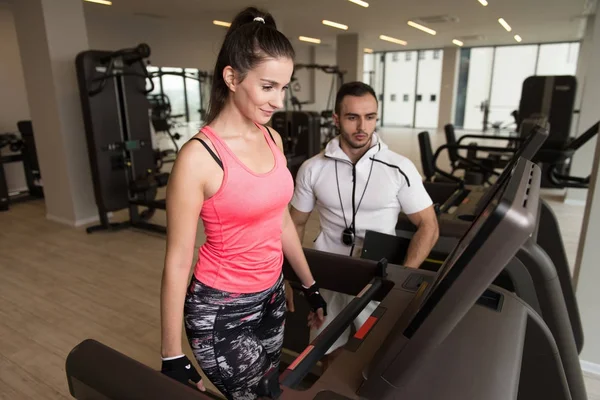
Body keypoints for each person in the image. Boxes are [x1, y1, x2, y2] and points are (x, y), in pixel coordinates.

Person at [159, 7, 327, 400]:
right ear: (232, 78)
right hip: (221, 312)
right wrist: (171, 352)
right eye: (268, 87)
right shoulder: (199, 158)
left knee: (273, 386)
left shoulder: (272, 139)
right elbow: (178, 260)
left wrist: (309, 284)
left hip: (270, 296)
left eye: (284, 88)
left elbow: (280, 221)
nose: (279, 101)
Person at [289, 81, 439, 366]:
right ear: (335, 119)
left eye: (370, 117)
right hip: (329, 276)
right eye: (352, 117)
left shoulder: (399, 168)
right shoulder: (312, 168)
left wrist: (403, 280)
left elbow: (429, 226)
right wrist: (294, 278)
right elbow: (295, 224)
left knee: (373, 354)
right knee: (325, 353)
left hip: (378, 278)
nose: (362, 126)